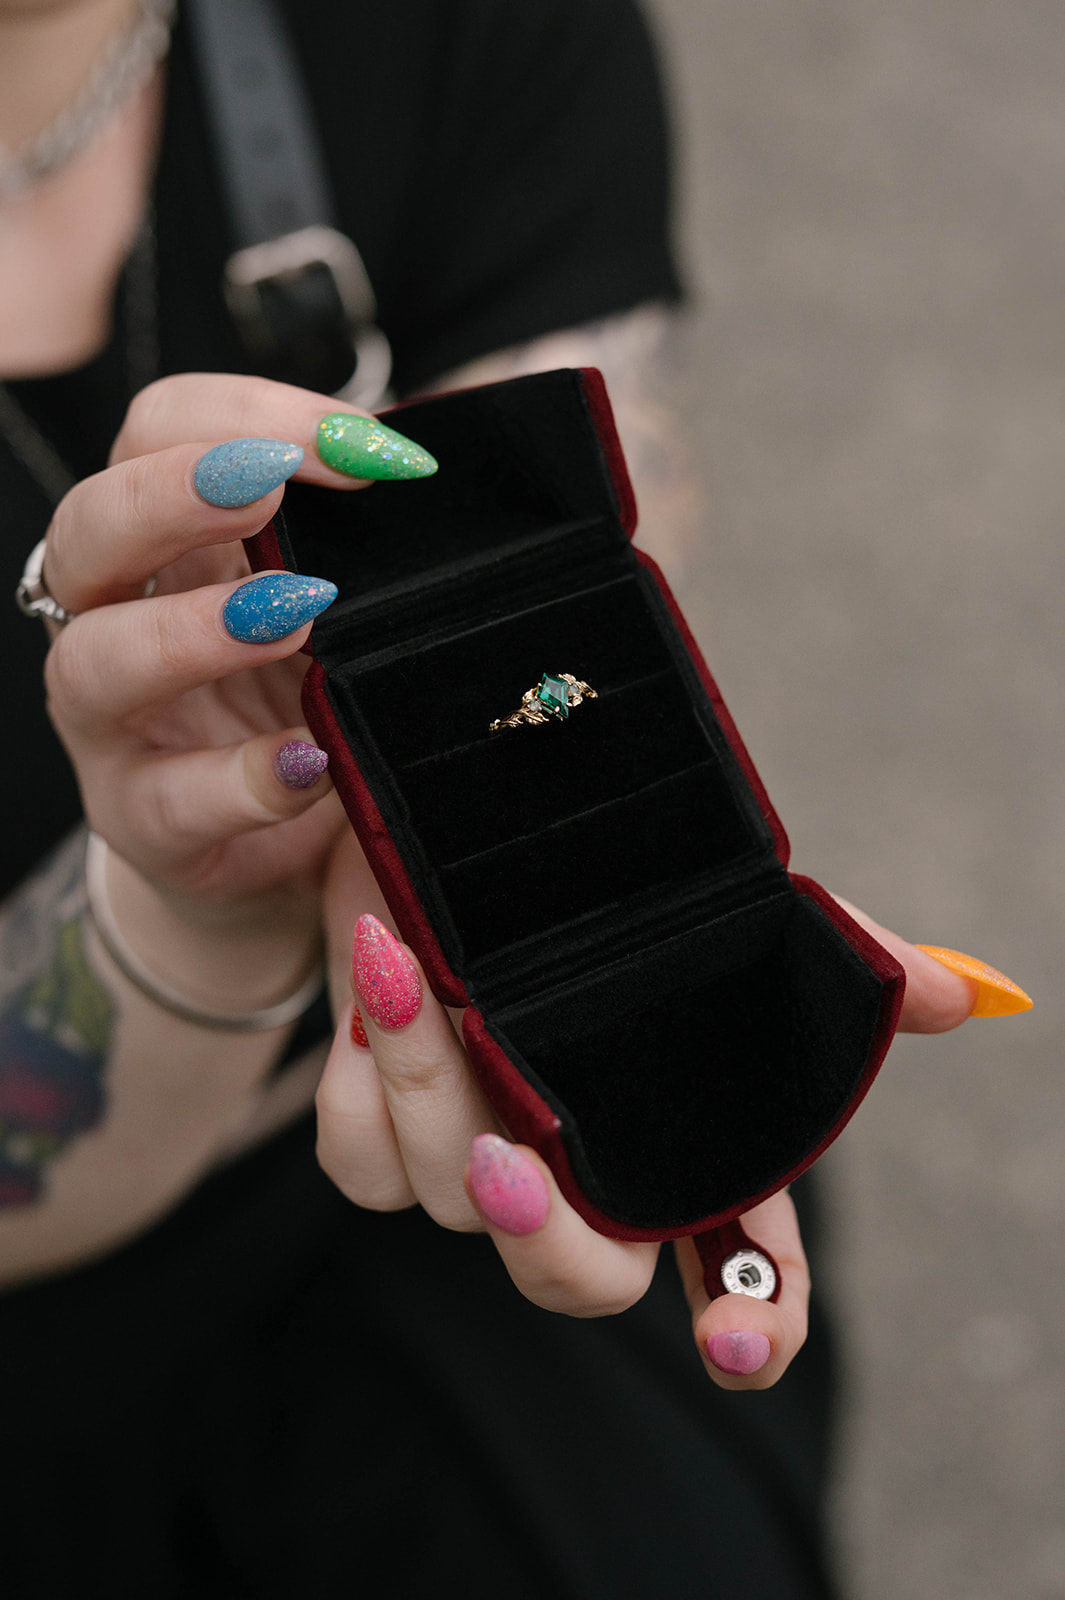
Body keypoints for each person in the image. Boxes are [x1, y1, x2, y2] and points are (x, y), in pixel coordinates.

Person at [0, 1, 1029, 1594]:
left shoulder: (460, 25)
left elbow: (575, 637)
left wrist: (623, 944)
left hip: (519, 1112)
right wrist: (180, 930)